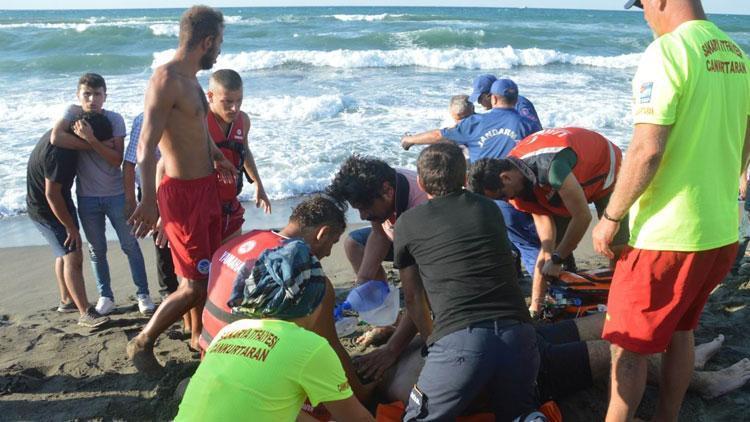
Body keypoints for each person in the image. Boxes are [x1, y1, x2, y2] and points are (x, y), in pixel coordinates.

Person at [592, 1, 750, 421]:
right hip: (719, 230)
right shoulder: (736, 55)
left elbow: (646, 150)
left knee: (627, 347)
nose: (644, 15)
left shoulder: (667, 52)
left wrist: (610, 217)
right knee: (682, 329)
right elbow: (745, 140)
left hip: (666, 236)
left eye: (643, 5)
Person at [367, 143, 539, 420]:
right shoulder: (489, 208)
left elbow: (413, 298)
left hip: (462, 342)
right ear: (463, 179)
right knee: (517, 412)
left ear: (421, 182)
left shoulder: (407, 223)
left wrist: (433, 346)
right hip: (520, 335)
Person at [126, 6, 237, 373]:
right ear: (206, 41)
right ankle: (142, 343)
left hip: (204, 189)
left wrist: (216, 156)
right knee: (192, 285)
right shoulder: (166, 79)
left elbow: (198, 131)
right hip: (182, 196)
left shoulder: (191, 82)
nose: (219, 51)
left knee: (209, 273)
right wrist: (149, 200)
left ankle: (201, 339)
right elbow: (145, 146)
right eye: (218, 43)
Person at [175, 237, 373, 421]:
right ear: (314, 302)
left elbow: (268, 403)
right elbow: (358, 419)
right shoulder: (311, 347)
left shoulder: (231, 331)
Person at [377, 313, 750, 410]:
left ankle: (680, 363)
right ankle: (703, 382)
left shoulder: (385, 360)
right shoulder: (403, 388)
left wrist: (390, 339)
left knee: (608, 322)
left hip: (511, 338)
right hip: (525, 369)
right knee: (618, 353)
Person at [199, 196, 369, 401]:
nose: (329, 252)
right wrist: (361, 393)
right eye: (332, 243)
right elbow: (330, 347)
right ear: (322, 233)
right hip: (247, 378)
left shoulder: (237, 242)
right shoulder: (309, 280)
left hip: (209, 358)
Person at [468, 127, 627, 317]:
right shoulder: (517, 187)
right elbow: (546, 246)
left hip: (605, 169)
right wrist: (535, 307)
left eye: (502, 195)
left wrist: (558, 258)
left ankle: (620, 302)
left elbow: (583, 216)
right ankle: (549, 302)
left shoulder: (551, 168)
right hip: (568, 181)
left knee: (616, 246)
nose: (505, 201)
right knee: (553, 252)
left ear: (506, 178)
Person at [400, 78, 544, 278]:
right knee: (529, 240)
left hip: (489, 195)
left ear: (493, 99)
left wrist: (409, 140)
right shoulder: (527, 124)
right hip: (523, 190)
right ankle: (542, 279)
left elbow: (438, 135)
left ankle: (547, 292)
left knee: (524, 246)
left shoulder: (476, 123)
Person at [50, 73, 154, 316]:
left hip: (116, 193)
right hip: (86, 197)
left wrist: (91, 139)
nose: (92, 99)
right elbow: (56, 137)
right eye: (87, 94)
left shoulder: (114, 119)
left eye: (98, 94)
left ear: (105, 96)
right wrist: (93, 142)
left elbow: (117, 159)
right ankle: (105, 296)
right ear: (79, 96)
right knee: (97, 250)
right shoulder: (73, 117)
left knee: (130, 245)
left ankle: (143, 294)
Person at [26, 112, 111, 327]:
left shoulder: (63, 130)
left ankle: (66, 300)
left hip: (51, 203)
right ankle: (86, 314)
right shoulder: (61, 153)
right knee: (73, 256)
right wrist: (70, 227)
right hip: (47, 209)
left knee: (63, 254)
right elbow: (51, 194)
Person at [206, 68, 271, 241]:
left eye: (239, 101)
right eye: (227, 102)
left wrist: (258, 184)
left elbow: (245, 151)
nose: (235, 108)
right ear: (210, 96)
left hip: (231, 206)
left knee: (230, 261)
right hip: (204, 208)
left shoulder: (243, 120)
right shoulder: (198, 122)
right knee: (205, 266)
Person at [123, 113, 179, 299]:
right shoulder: (144, 119)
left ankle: (189, 288)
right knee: (161, 242)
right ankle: (168, 292)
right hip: (152, 192)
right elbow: (130, 163)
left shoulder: (186, 113)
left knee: (185, 240)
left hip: (184, 188)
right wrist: (132, 201)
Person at [467, 73, 541, 126]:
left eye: (480, 99)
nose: (479, 102)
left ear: (490, 96)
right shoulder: (499, 108)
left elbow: (534, 129)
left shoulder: (520, 103)